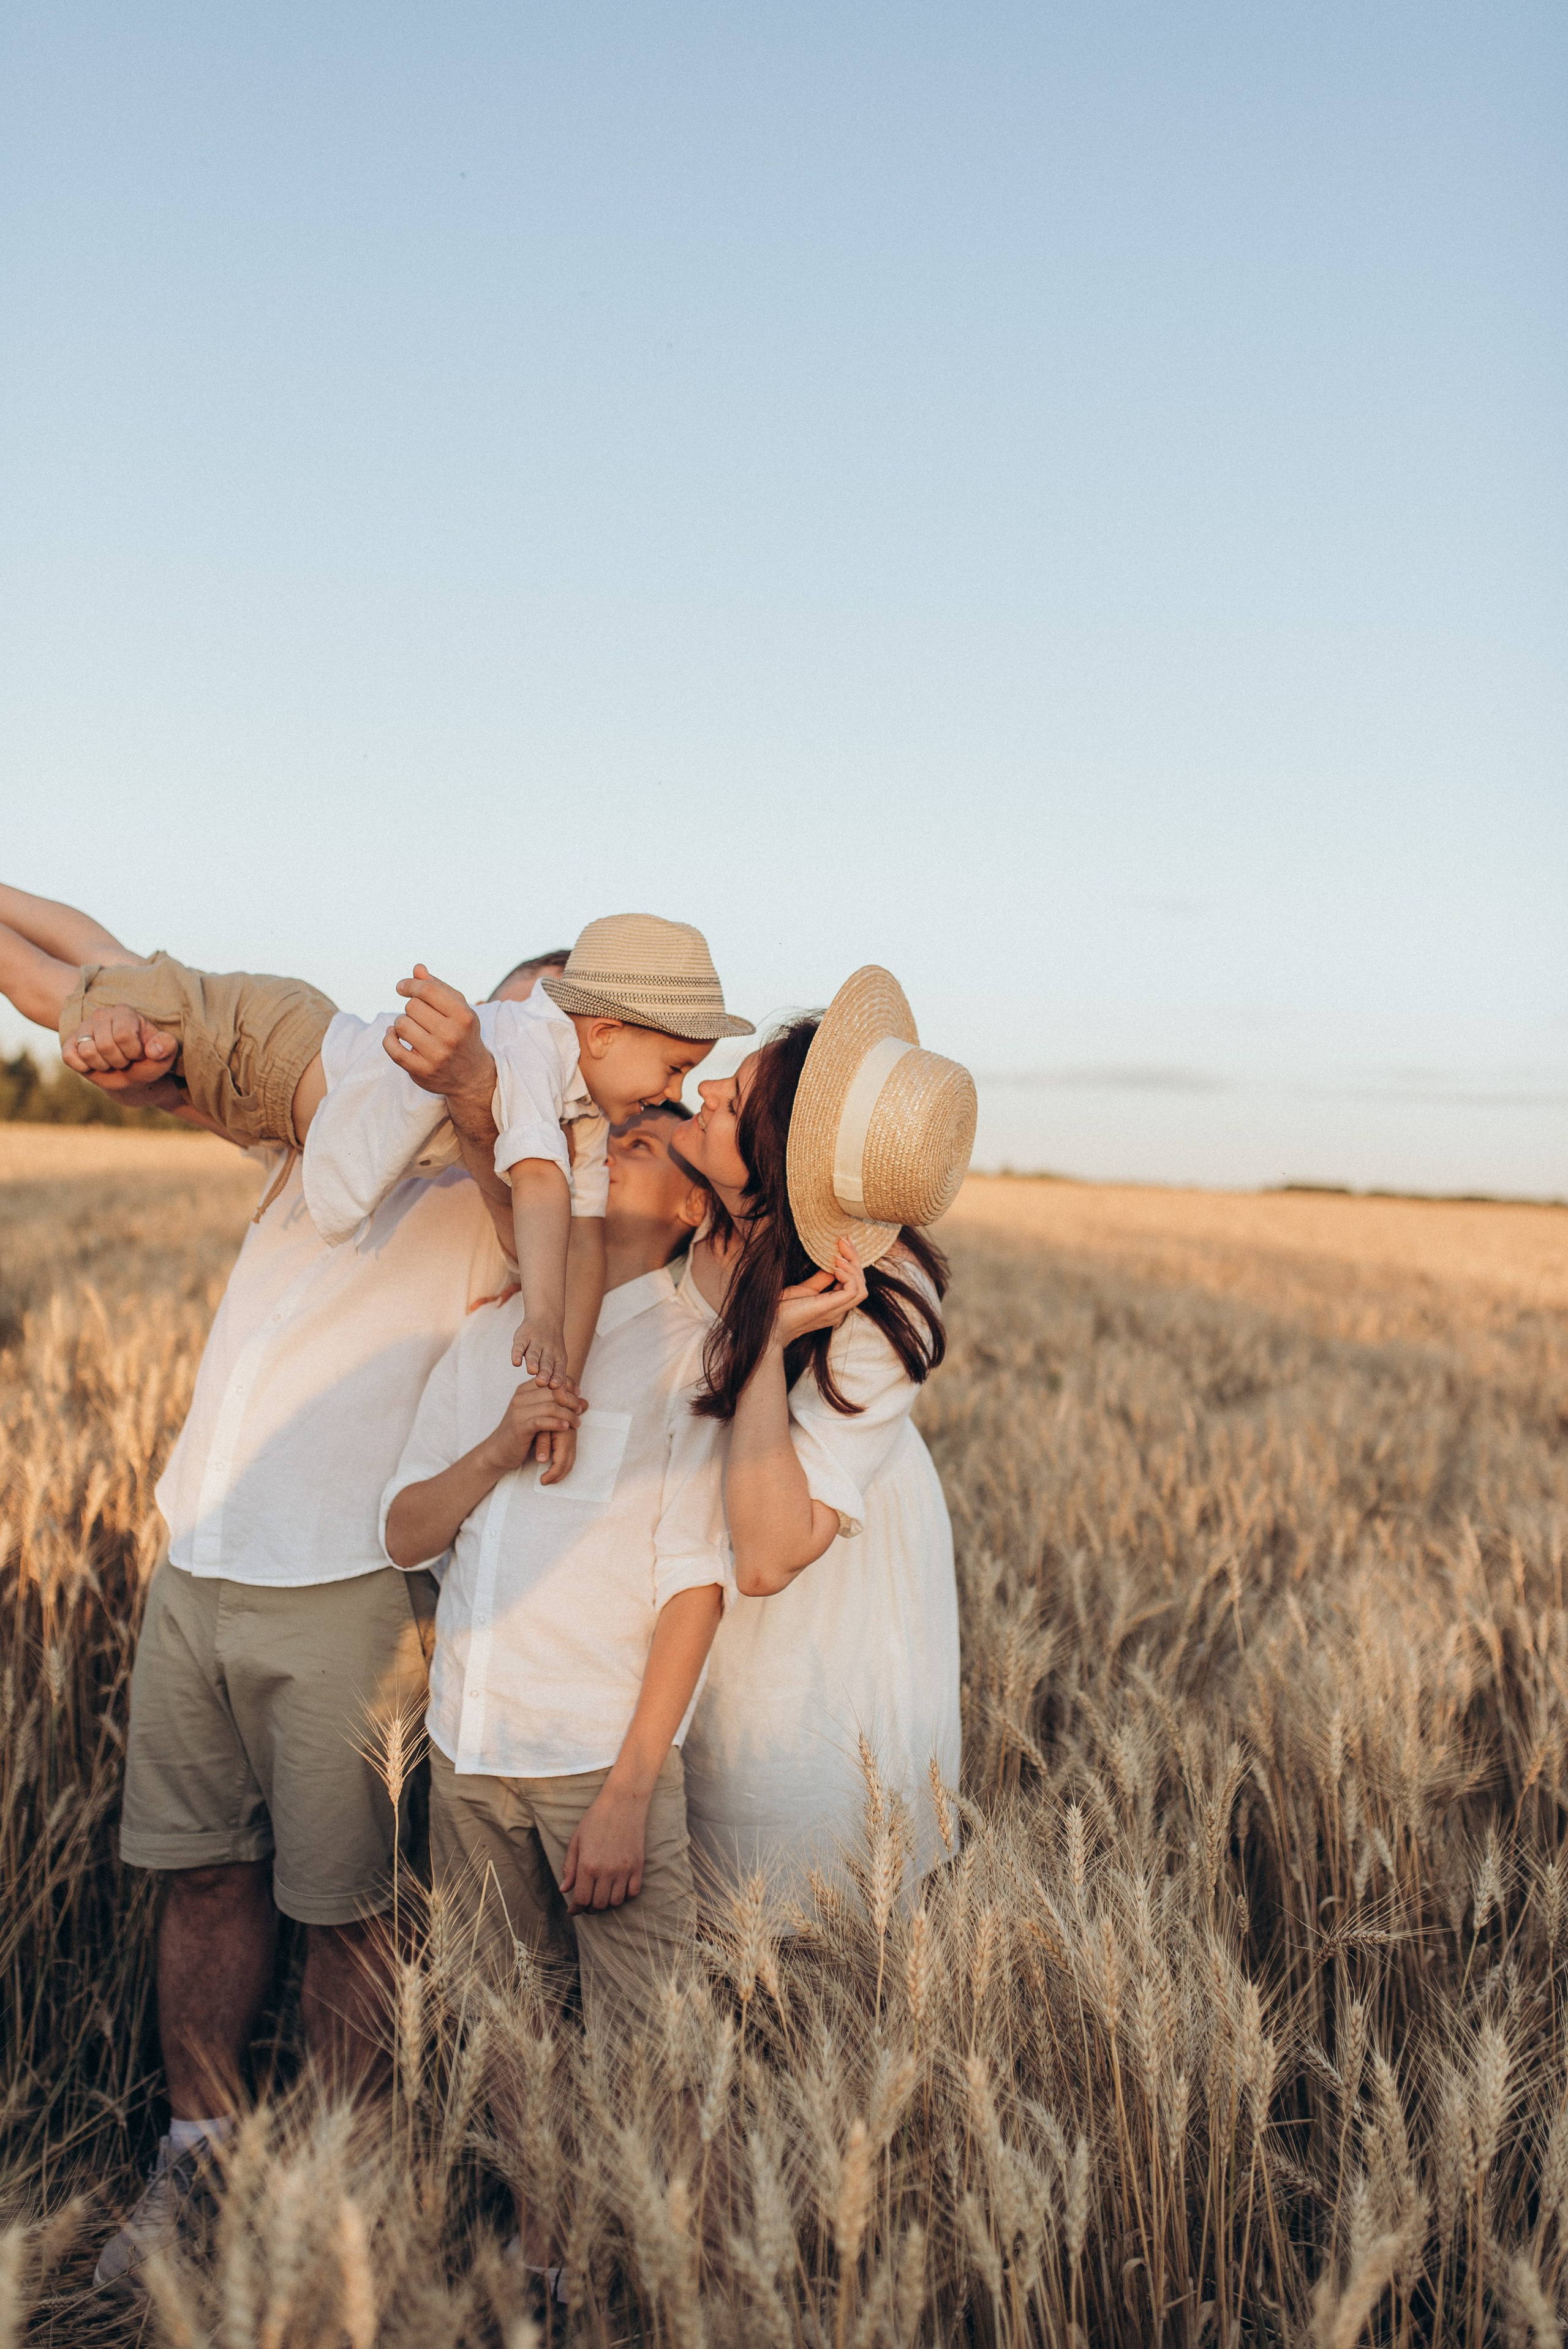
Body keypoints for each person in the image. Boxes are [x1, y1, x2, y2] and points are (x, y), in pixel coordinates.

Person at [0, 892, 568, 2297]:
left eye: (549, 1034)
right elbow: (121, 975)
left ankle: (334, 2193)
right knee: (201, 1874)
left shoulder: (529, 1203)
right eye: (514, 1010)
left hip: (353, 1589)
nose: (519, 1039)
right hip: (198, 1550)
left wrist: (497, 1104)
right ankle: (196, 2151)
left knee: (346, 1910)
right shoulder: (339, 1115)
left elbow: (518, 1175)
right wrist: (104, 1007)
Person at [380, 1100, 728, 2296]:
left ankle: (667, 2295)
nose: (610, 1144)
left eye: (644, 1145)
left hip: (598, 1761)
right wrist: (492, 1446)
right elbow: (402, 1529)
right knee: (510, 2042)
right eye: (607, 1134)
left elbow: (695, 1588)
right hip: (471, 1747)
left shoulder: (696, 1356)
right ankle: (547, 2268)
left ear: (692, 1207)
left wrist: (633, 1786)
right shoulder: (493, 1340)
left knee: (652, 2060)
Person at [0, 890, 752, 1408]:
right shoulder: (530, 1049)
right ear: (604, 1035)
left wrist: (562, 1373)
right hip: (270, 1054)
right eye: (677, 1068)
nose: (670, 1092)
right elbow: (541, 1187)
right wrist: (545, 1323)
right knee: (52, 992)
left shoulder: (580, 1109)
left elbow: (579, 1228)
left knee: (109, 963)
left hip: (282, 1056)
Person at [670, 967, 978, 1903]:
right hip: (674, 1628)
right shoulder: (688, 1206)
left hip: (812, 1653)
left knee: (800, 1913)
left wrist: (765, 1340)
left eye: (737, 1101)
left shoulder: (876, 1305)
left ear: (776, 1163)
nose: (708, 1085)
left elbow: (767, 1555)